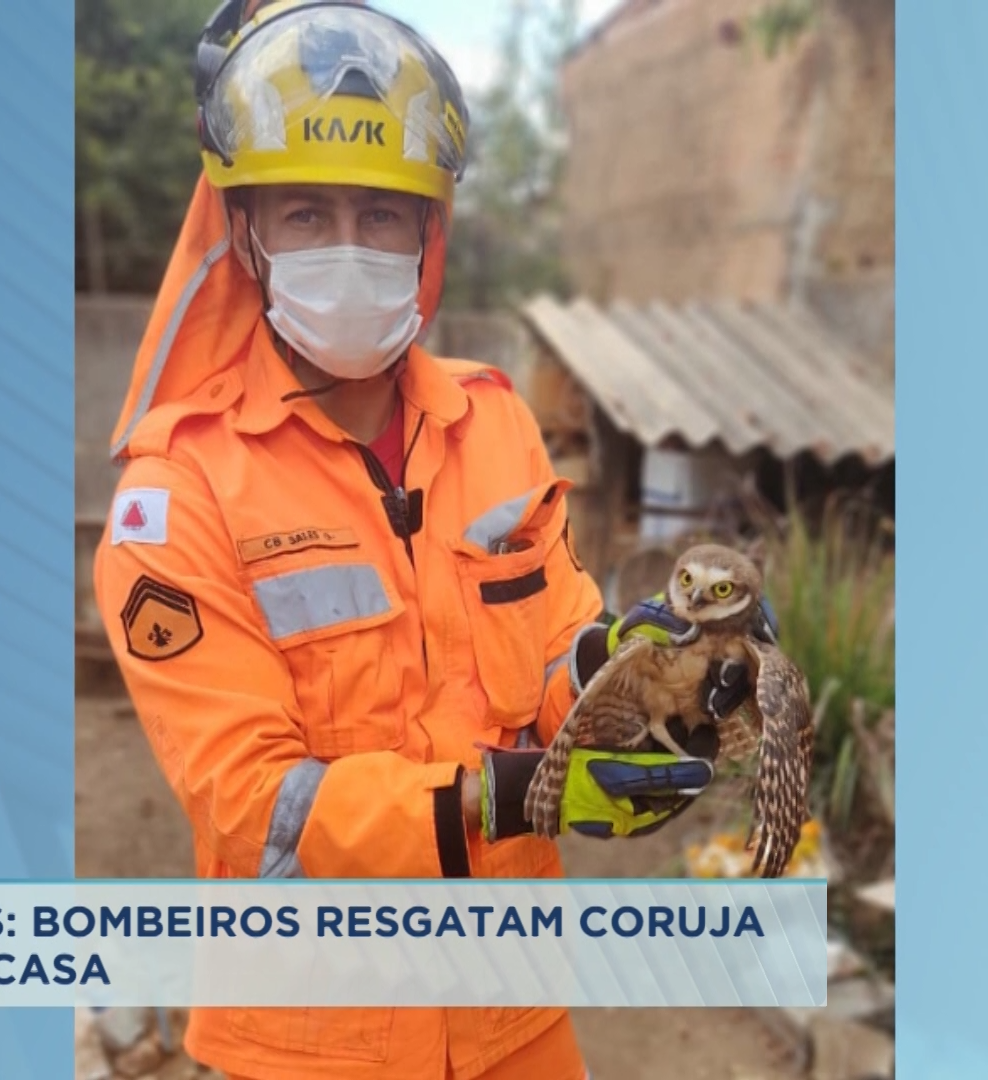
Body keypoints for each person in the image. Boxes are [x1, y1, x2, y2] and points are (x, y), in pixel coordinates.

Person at [95, 3, 754, 1076]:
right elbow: (252, 802)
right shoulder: (178, 492)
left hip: (513, 1014)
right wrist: (504, 795)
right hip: (313, 1042)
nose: (348, 247)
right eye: (305, 212)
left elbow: (556, 659)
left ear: (427, 234)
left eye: (380, 213)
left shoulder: (492, 422)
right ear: (247, 231)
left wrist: (642, 680)